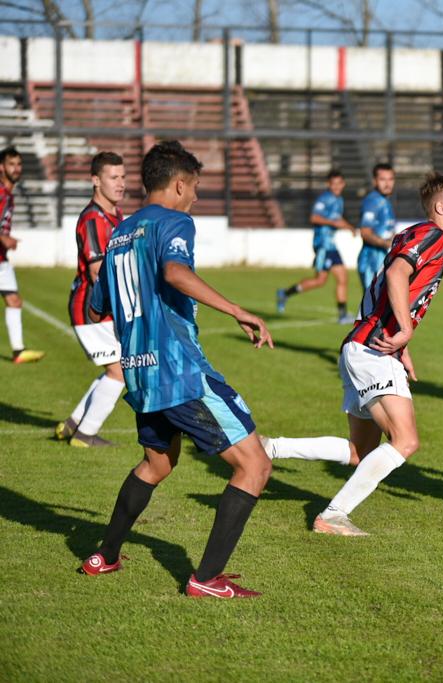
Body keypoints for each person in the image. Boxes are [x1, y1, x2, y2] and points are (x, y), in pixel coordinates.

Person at [81, 141, 275, 599]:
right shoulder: (175, 221)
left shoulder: (120, 234)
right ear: (179, 183)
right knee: (254, 465)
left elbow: (96, 308)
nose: (195, 198)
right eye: (195, 189)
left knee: (156, 462)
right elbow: (174, 272)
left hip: (139, 371)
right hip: (178, 370)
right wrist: (236, 309)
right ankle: (205, 579)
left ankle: (104, 556)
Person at [312, 172, 443, 537]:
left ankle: (270, 449)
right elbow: (398, 275)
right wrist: (406, 329)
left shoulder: (417, 233)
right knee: (405, 440)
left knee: (359, 450)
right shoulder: (434, 235)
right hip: (373, 350)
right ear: (441, 207)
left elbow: (386, 289)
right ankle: (333, 515)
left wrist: (404, 346)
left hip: (365, 345)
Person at [55, 152, 127, 447]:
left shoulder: (114, 215)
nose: (121, 184)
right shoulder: (93, 219)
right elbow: (99, 272)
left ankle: (72, 425)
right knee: (120, 371)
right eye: (114, 177)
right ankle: (85, 435)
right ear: (96, 181)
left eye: (123, 177)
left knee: (116, 367)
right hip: (90, 308)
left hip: (100, 308)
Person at [277, 169, 357, 323]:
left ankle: (285, 294)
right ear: (329, 184)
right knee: (331, 278)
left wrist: (350, 227)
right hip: (323, 245)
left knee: (330, 279)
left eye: (339, 183)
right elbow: (314, 217)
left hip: (331, 245)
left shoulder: (339, 200)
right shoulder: (324, 199)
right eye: (333, 184)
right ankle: (342, 315)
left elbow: (337, 219)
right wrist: (332, 223)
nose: (336, 186)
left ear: (343, 184)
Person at [0, 146, 44, 364]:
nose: (16, 168)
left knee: (14, 301)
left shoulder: (8, 194)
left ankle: (18, 351)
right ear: (1, 167)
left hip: (1, 260)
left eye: (19, 164)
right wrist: (3, 238)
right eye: (11, 164)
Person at [356, 163, 397, 293]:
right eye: (382, 179)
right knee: (372, 308)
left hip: (381, 261)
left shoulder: (385, 201)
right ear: (375, 181)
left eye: (390, 179)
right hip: (371, 262)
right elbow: (365, 232)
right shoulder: (373, 201)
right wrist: (386, 243)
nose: (387, 183)